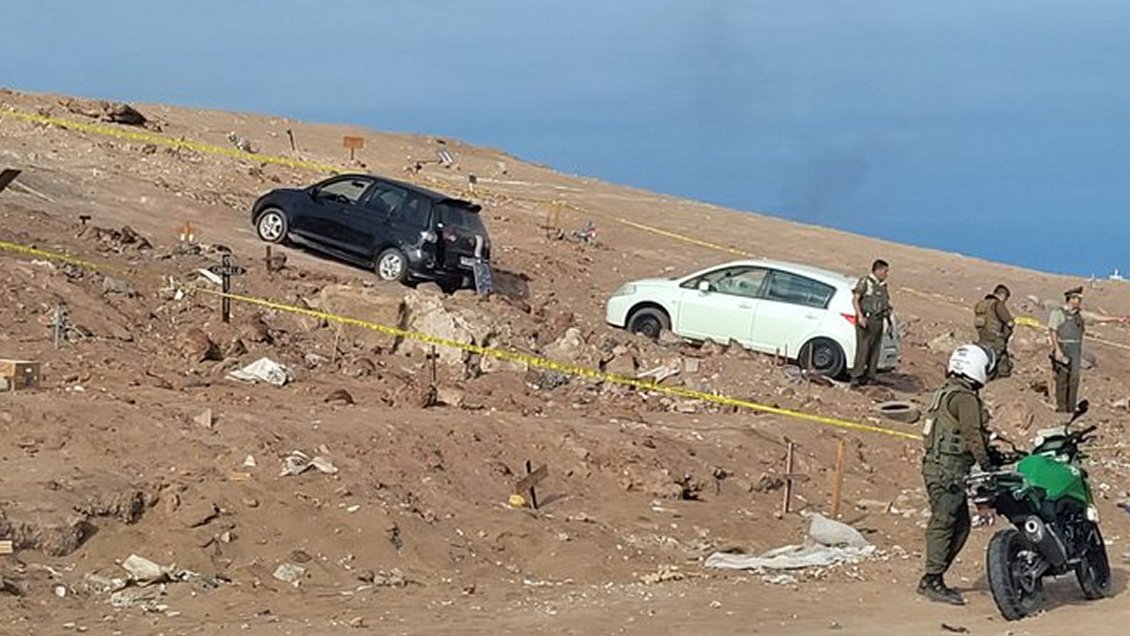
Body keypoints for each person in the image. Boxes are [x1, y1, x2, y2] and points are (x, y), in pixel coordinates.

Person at [918, 343, 997, 606]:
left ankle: (934, 576)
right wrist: (987, 463)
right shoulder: (964, 398)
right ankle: (932, 579)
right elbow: (973, 434)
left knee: (960, 526)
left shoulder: (945, 393)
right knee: (944, 522)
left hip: (941, 467)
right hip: (948, 471)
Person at [1047, 286, 1126, 412]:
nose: (1079, 301)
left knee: (1074, 378)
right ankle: (1061, 407)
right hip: (1063, 346)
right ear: (1071, 299)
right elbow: (1053, 331)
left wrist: (1116, 319)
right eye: (1077, 298)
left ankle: (1071, 407)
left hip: (1076, 348)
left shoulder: (1080, 315)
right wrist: (1057, 349)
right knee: (1062, 378)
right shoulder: (1058, 313)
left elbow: (1096, 317)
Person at [850, 259, 891, 386]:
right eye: (885, 271)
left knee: (875, 350)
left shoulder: (882, 286)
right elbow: (855, 299)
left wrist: (888, 323)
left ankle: (870, 376)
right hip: (867, 319)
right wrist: (860, 316)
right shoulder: (865, 282)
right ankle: (856, 377)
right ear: (877, 270)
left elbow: (886, 305)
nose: (886, 274)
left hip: (878, 321)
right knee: (863, 348)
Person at [973, 284, 1015, 379]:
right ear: (1003, 295)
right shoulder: (997, 304)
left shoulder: (981, 304)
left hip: (982, 339)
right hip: (995, 339)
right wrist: (1006, 334)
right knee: (1002, 364)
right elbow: (1009, 322)